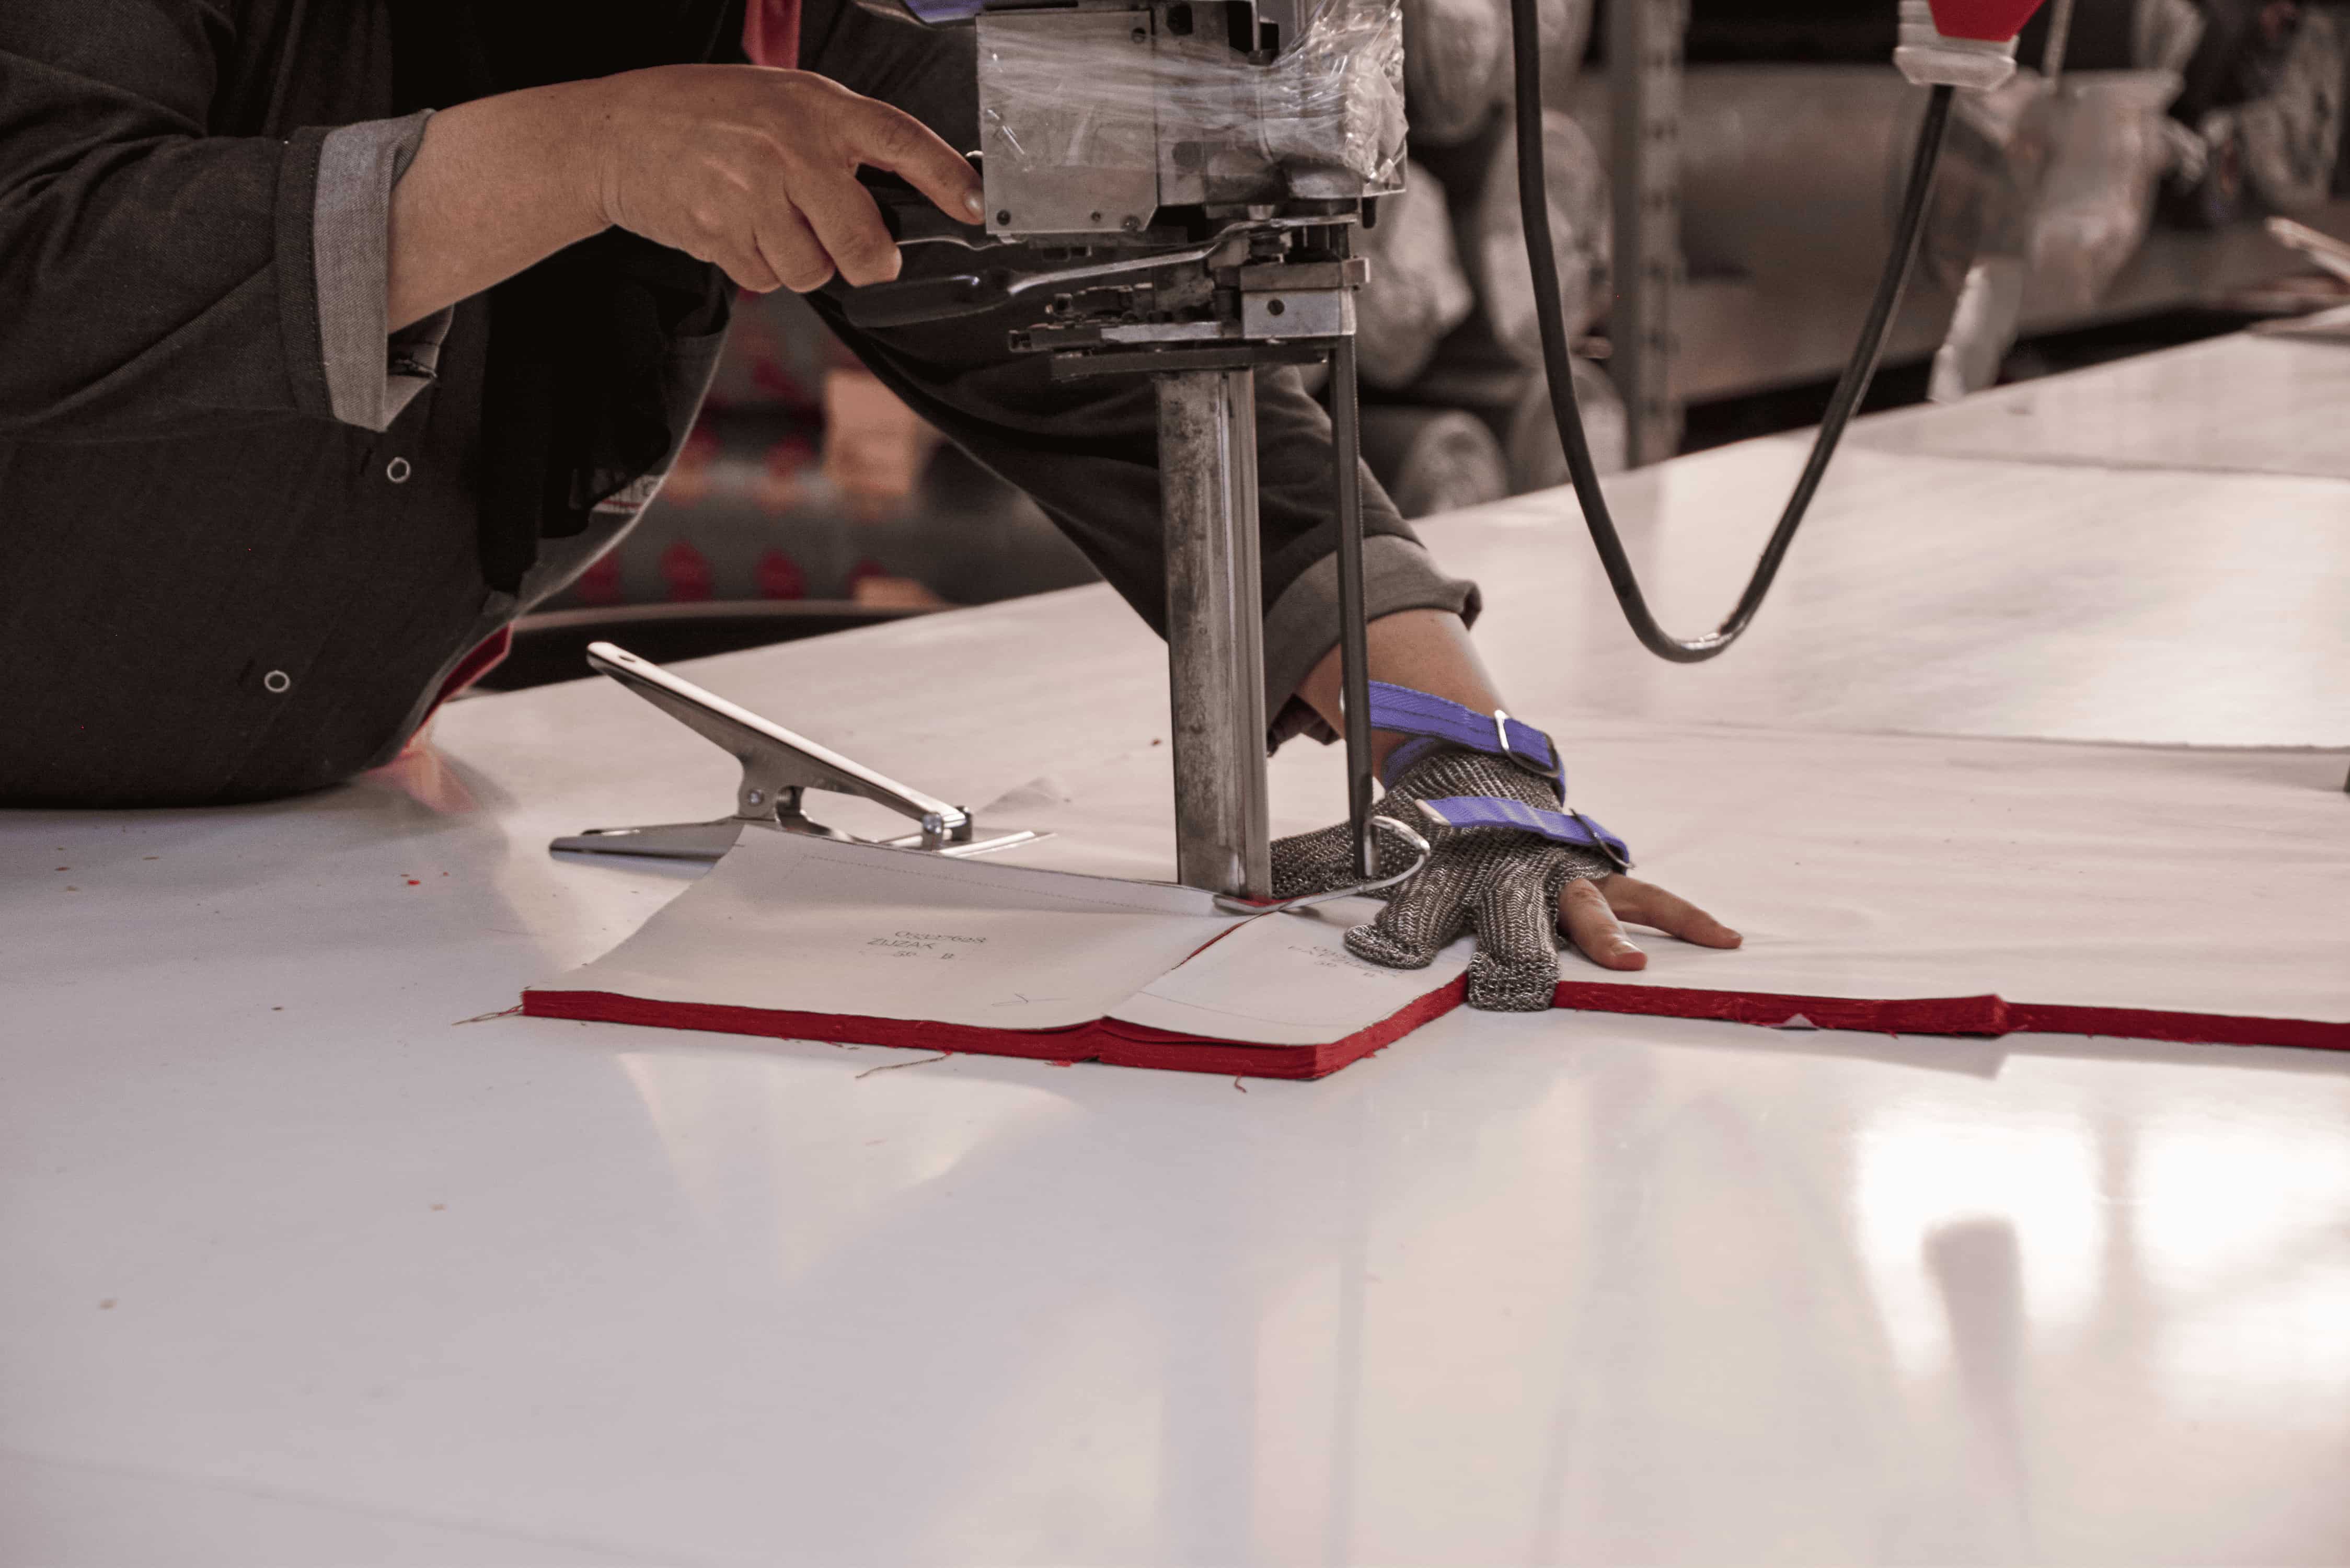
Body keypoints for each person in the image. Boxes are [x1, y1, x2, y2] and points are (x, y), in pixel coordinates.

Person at [0, 0, 1737, 1007]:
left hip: (320, 894)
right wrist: (585, 153)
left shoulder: (736, 34)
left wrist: (1462, 754)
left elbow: (1112, 347)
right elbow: (42, 251)